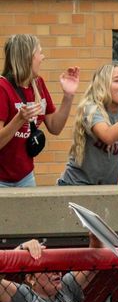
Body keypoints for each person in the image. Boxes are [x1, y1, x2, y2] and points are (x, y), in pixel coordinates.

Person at [0, 34, 80, 187]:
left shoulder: (38, 84)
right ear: (27, 57)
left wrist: (68, 96)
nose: (43, 57)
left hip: (25, 176)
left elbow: (55, 127)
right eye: (40, 53)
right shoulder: (2, 88)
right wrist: (19, 119)